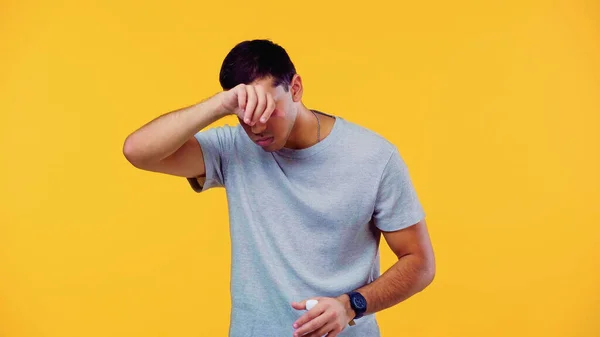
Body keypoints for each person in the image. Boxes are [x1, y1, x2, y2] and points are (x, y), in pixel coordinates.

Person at [123, 39, 435, 337]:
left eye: (268, 108)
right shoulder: (233, 148)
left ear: (295, 88)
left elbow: (419, 263)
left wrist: (351, 306)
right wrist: (220, 104)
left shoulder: (374, 157)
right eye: (244, 113)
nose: (256, 126)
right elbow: (137, 151)